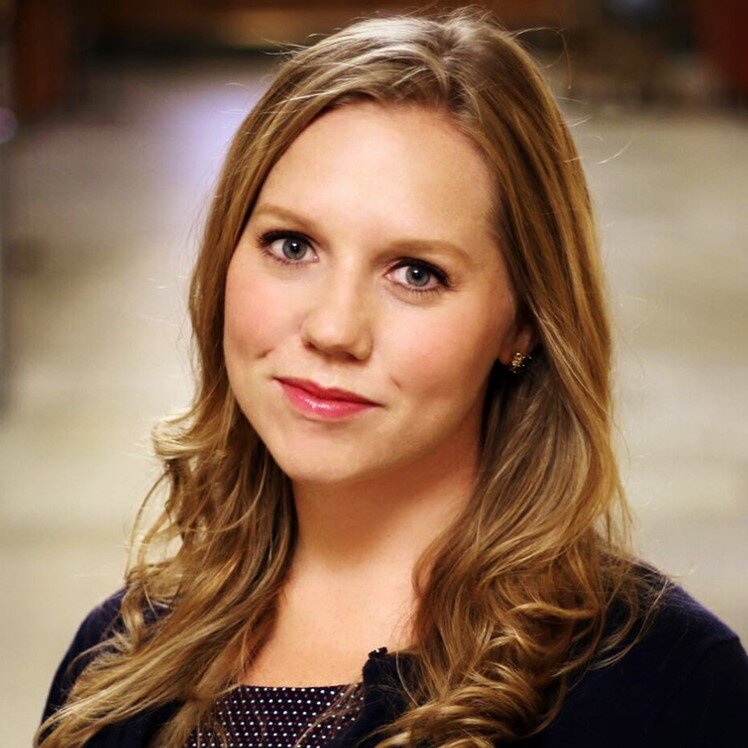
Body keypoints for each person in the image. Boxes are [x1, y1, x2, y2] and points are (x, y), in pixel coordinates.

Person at [36, 7, 748, 748]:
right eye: (291, 245)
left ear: (524, 321)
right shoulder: (114, 664)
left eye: (416, 273)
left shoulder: (666, 688)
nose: (334, 328)